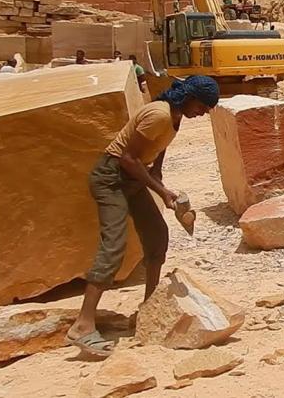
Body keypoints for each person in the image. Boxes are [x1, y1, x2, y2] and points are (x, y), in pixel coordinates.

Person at [65, 76, 220, 357]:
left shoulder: (174, 115)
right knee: (113, 247)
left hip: (133, 178)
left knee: (157, 236)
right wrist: (160, 191)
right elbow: (127, 158)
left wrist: (159, 178)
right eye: (204, 105)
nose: (204, 112)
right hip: (111, 178)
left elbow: (159, 146)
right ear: (190, 97)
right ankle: (83, 325)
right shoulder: (159, 114)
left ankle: (149, 308)